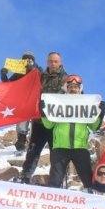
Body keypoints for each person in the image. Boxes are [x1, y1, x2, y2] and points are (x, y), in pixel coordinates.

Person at [41, 75, 105, 189]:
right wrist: (43, 112)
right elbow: (48, 124)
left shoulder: (86, 105)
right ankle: (51, 204)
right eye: (70, 86)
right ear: (67, 88)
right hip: (60, 147)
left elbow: (94, 127)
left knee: (88, 179)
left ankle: (93, 204)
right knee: (55, 180)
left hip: (80, 147)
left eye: (75, 87)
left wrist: (101, 113)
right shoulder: (58, 103)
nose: (73, 89)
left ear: (79, 89)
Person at [20, 52, 67, 183]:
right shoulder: (41, 76)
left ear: (60, 62)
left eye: (56, 61)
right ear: (47, 62)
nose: (53, 64)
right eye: (51, 61)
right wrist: (28, 68)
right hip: (39, 121)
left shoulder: (66, 79)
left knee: (56, 154)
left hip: (56, 123)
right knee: (33, 151)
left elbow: (73, 95)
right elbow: (30, 76)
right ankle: (25, 177)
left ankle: (56, 182)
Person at [0, 51, 41, 154]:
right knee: (22, 120)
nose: (27, 60)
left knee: (37, 123)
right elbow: (9, 85)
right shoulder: (19, 73)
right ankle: (21, 142)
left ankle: (36, 143)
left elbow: (41, 77)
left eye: (29, 59)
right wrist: (4, 75)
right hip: (24, 101)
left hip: (36, 100)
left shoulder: (38, 69)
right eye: (25, 59)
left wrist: (30, 68)